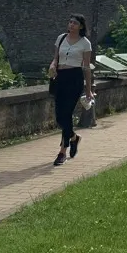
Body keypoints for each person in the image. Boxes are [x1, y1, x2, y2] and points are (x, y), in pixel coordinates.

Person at [48, 14, 94, 167]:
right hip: (60, 78)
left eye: (75, 23)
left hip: (75, 78)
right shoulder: (61, 38)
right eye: (70, 22)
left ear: (81, 26)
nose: (71, 25)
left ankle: (62, 152)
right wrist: (53, 65)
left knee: (66, 114)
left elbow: (86, 67)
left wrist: (88, 89)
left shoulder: (85, 43)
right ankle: (74, 138)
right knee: (60, 117)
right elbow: (56, 57)